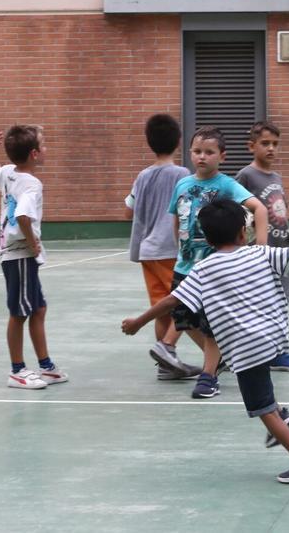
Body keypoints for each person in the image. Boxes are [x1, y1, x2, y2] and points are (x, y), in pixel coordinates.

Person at [121, 200, 289, 483]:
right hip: (272, 339)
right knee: (264, 394)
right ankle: (282, 416)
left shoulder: (203, 270)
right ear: (242, 232)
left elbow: (172, 301)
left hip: (245, 349)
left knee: (261, 408)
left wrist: (139, 322)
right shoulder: (260, 254)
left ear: (208, 239)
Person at [156, 126, 269, 399]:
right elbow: (177, 218)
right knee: (184, 320)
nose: (201, 157)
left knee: (210, 325)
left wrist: (261, 250)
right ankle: (218, 359)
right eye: (196, 152)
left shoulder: (226, 185)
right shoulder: (182, 184)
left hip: (214, 270)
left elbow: (260, 208)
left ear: (222, 156)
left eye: (209, 152)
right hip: (185, 266)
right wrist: (179, 250)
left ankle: (208, 377)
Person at [126, 114, 205, 381]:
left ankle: (165, 365)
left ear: (149, 142)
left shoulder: (143, 175)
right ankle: (166, 349)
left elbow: (129, 208)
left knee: (161, 306)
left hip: (148, 251)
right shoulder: (182, 174)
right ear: (179, 142)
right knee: (185, 301)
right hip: (172, 249)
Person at [0, 125, 68, 390]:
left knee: (38, 308)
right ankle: (17, 370)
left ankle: (46, 366)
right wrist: (33, 243)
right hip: (19, 256)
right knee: (19, 313)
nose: (47, 149)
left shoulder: (9, 173)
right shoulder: (32, 185)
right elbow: (23, 215)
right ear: (34, 154)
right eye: (43, 145)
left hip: (18, 257)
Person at [235, 121, 289, 372]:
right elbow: (238, 210)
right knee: (261, 303)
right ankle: (272, 352)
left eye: (275, 144)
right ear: (251, 146)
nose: (271, 149)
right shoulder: (246, 175)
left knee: (280, 303)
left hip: (282, 249)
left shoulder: (276, 176)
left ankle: (278, 352)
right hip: (261, 251)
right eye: (265, 143)